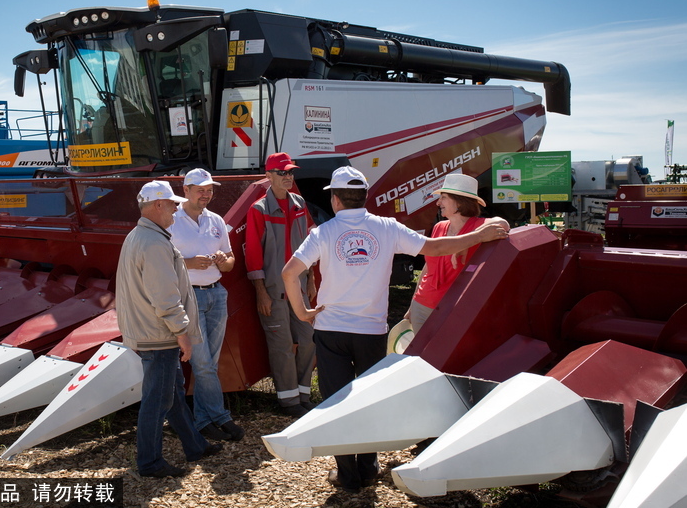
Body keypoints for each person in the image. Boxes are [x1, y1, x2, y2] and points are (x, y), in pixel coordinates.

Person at [281, 166, 509, 493]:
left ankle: (348, 475)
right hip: (372, 331)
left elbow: (290, 273)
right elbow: (435, 248)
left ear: (334, 199)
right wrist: (477, 236)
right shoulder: (388, 228)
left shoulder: (323, 232)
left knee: (336, 403)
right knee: (370, 399)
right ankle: (369, 465)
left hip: (331, 330)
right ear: (365, 197)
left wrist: (303, 313)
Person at [115, 180, 222, 479]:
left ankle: (195, 445)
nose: (176, 210)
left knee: (171, 394)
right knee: (157, 399)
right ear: (158, 205)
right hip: (159, 335)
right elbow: (165, 296)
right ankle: (149, 462)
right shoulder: (154, 243)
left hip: (150, 331)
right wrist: (181, 332)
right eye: (173, 204)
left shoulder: (139, 237)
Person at [169, 168, 245, 443]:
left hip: (216, 292)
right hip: (188, 296)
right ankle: (220, 417)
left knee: (208, 363)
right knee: (203, 363)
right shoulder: (171, 220)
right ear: (185, 190)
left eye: (209, 189)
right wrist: (188, 263)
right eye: (200, 189)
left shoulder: (215, 220)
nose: (206, 193)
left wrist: (225, 260)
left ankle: (203, 421)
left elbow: (231, 260)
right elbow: (159, 259)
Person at [244, 152, 317, 417]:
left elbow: (310, 244)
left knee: (309, 338)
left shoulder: (299, 203)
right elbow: (252, 255)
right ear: (269, 176)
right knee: (282, 345)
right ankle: (288, 402)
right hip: (274, 291)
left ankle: (303, 394)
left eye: (290, 172)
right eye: (282, 173)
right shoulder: (259, 210)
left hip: (298, 288)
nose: (288, 177)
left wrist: (310, 279)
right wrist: (260, 292)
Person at [405, 173, 510, 332]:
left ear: (459, 202)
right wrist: (413, 303)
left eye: (444, 197)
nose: (438, 202)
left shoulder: (479, 226)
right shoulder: (439, 227)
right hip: (422, 305)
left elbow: (503, 223)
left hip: (453, 309)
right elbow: (428, 267)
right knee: (420, 356)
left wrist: (466, 241)